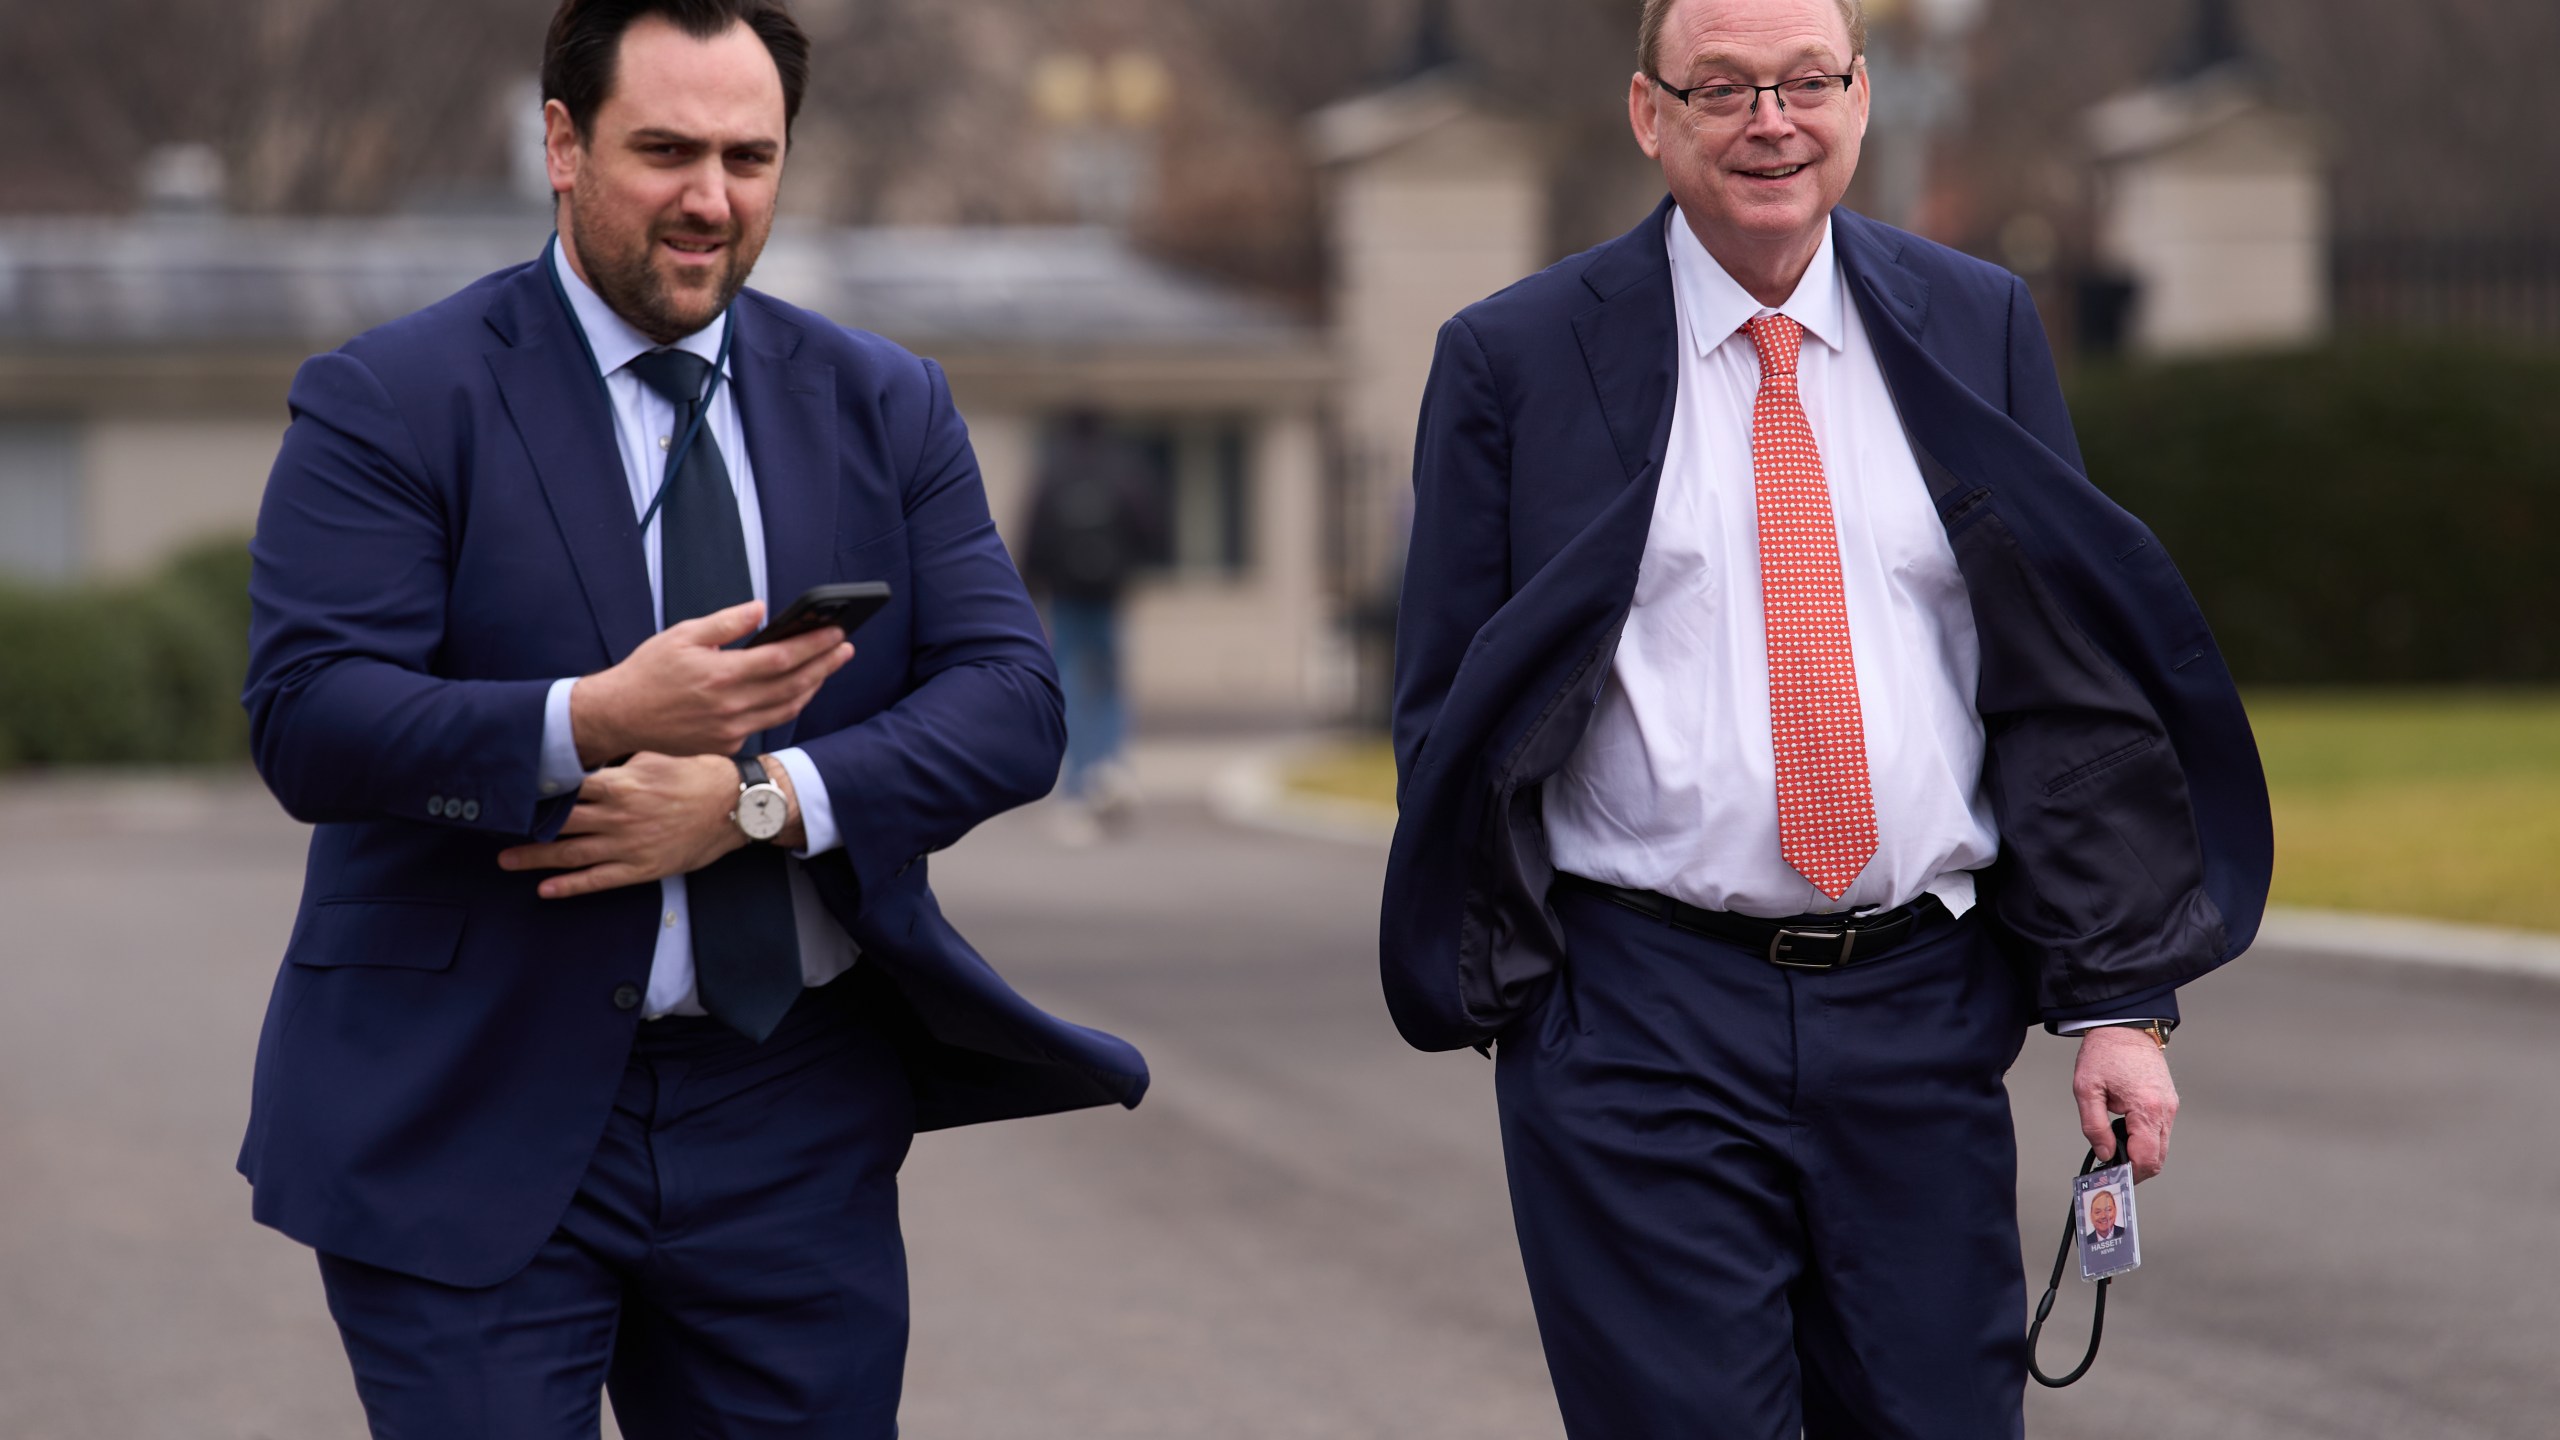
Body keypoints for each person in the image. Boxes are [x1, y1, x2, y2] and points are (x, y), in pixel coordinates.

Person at [236, 1, 1146, 1433]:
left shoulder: (886, 404)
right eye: (665, 150)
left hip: (785, 1110)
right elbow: (309, 717)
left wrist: (752, 799)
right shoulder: (392, 399)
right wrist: (592, 719)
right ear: (561, 141)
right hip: (467, 1103)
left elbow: (1015, 703)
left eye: (749, 156)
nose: (710, 200)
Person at [1380, 0, 2271, 1433]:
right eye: (1721, 87)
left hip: (1923, 1010)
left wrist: (2118, 1004)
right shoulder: (1518, 358)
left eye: (1806, 80)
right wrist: (1533, 1010)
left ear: (1861, 96)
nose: (1769, 122)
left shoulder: (1975, 321)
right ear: (1647, 112)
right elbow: (1449, 709)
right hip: (1638, 1019)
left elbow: (2063, 674)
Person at [1018, 410, 1163, 837]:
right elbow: (1151, 526)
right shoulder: (1125, 467)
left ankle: (1077, 788)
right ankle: (1111, 768)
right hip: (1110, 595)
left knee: (1068, 688)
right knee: (1110, 684)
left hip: (1064, 597)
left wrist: (1029, 590)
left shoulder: (1053, 469)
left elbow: (1032, 534)